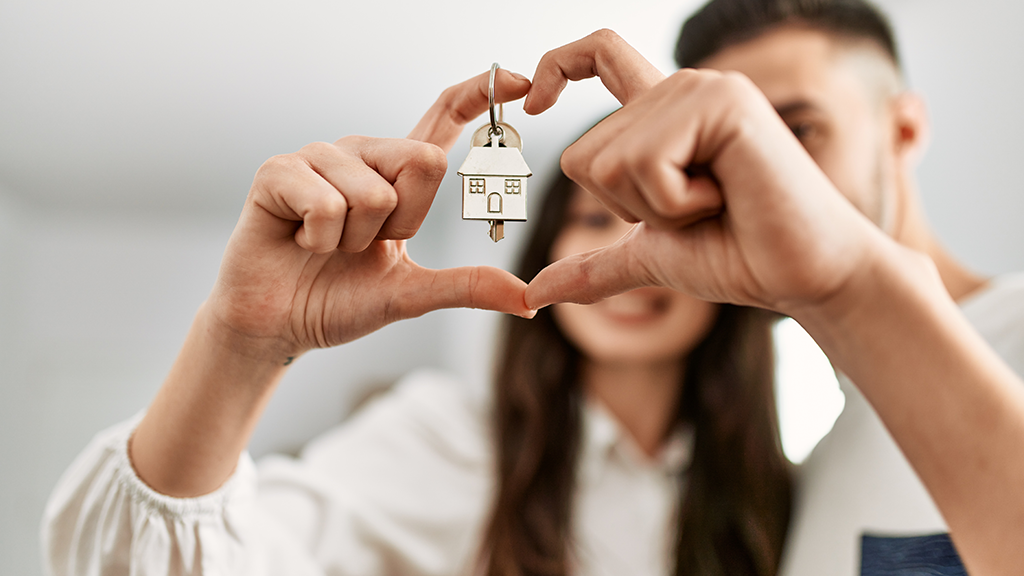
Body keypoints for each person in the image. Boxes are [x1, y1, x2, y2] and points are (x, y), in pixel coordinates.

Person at [41, 66, 792, 576]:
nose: (623, 254)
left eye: (657, 223)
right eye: (594, 217)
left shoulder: (780, 487)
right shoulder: (448, 437)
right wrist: (242, 341)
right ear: (547, 244)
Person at [668, 0, 1024, 574]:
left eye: (801, 131)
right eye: (721, 153)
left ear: (903, 131)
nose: (761, 179)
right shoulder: (814, 471)